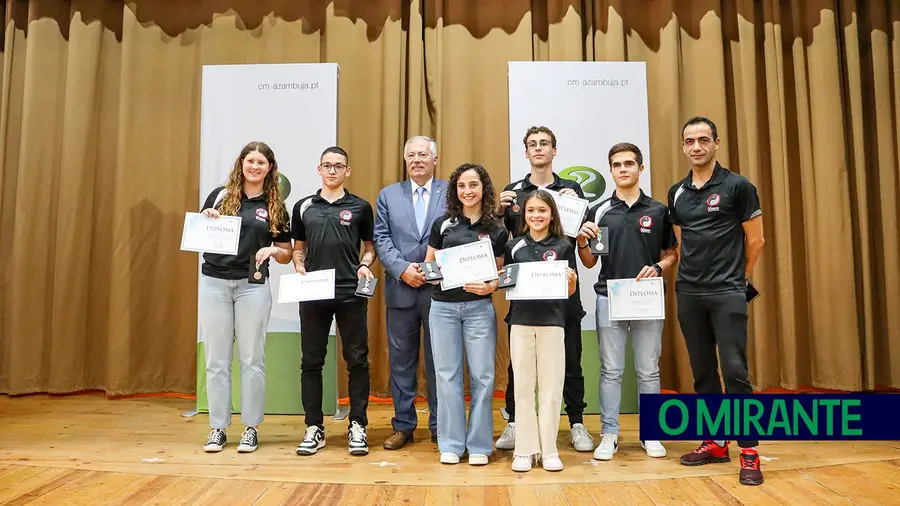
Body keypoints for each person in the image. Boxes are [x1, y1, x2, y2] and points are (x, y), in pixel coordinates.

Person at [667, 117, 765, 486]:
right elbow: (681, 241)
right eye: (689, 140)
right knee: (704, 372)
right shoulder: (676, 191)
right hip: (689, 293)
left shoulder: (738, 186)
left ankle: (750, 451)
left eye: (703, 140)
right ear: (683, 146)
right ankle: (715, 442)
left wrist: (739, 279)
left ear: (716, 143)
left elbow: (756, 241)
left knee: (735, 371)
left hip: (727, 293)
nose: (696, 146)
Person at [575, 142, 679, 461]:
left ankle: (652, 433)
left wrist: (659, 268)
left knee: (648, 370)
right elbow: (590, 262)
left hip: (647, 300)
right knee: (611, 370)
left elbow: (672, 253)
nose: (623, 169)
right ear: (611, 170)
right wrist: (581, 243)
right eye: (617, 164)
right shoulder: (600, 211)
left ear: (640, 168)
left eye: (629, 164)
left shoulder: (659, 210)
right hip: (609, 298)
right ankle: (610, 433)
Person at [496, 126, 594, 452]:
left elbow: (586, 243)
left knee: (571, 358)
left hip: (563, 292)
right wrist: (497, 212)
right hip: (525, 298)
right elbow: (503, 247)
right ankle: (514, 423)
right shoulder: (512, 194)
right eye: (533, 145)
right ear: (525, 153)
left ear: (554, 151)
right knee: (519, 364)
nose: (539, 149)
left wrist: (578, 208)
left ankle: (576, 422)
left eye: (545, 144)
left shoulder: (572, 190)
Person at [198, 141, 293, 454]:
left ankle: (251, 427)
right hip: (215, 285)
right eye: (250, 161)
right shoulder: (219, 196)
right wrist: (207, 218)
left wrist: (274, 250)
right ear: (241, 164)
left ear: (269, 168)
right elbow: (199, 233)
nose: (255, 167)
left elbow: (287, 252)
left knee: (252, 359)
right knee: (216, 360)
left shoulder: (275, 206)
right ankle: (217, 427)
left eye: (261, 162)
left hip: (253, 287)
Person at [291, 146, 377, 457]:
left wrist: (366, 263)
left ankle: (358, 425)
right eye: (327, 165)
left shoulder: (361, 207)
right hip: (314, 292)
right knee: (311, 361)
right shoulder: (303, 207)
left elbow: (370, 247)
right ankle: (314, 427)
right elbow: (298, 248)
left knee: (357, 360)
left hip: (350, 292)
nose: (332, 171)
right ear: (318, 169)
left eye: (338, 166)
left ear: (347, 171)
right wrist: (299, 265)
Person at [426, 163, 507, 466]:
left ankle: (479, 446)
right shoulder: (443, 225)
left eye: (473, 185)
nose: (467, 191)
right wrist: (439, 275)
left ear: (484, 188)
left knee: (483, 377)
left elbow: (500, 274)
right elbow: (429, 266)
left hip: (478, 309)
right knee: (447, 376)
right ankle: (451, 443)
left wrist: (489, 287)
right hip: (443, 308)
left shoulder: (497, 230)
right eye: (461, 186)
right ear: (454, 190)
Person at [373, 136, 447, 449]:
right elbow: (381, 238)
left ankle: (441, 425)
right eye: (411, 155)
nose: (416, 160)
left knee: (440, 361)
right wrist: (403, 269)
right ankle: (403, 425)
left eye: (422, 154)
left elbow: (458, 234)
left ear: (435, 158)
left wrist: (430, 269)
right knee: (401, 362)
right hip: (400, 289)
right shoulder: (389, 195)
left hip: (440, 292)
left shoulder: (451, 192)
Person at [503, 189, 578, 473]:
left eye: (542, 211)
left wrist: (569, 282)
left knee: (550, 387)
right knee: (522, 387)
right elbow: (507, 284)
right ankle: (524, 450)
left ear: (551, 215)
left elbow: (570, 292)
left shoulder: (563, 247)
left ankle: (548, 449)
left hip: (552, 323)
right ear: (524, 214)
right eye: (531, 210)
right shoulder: (514, 247)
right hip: (520, 322)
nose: (536, 215)